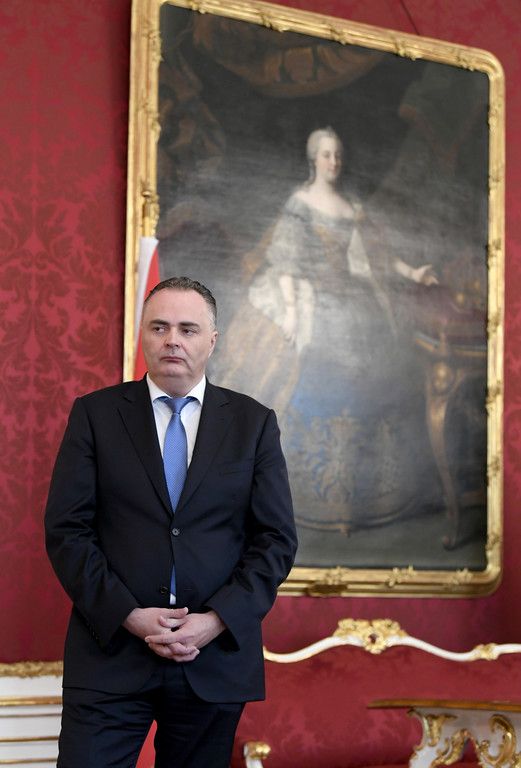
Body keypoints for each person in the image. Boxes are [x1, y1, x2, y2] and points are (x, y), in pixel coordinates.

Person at [44, 276, 297, 768]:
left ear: (212, 340)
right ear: (142, 334)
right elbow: (67, 531)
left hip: (213, 659)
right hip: (111, 654)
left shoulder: (253, 423)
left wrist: (216, 620)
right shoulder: (95, 415)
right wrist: (128, 614)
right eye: (159, 327)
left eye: (187, 329)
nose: (172, 340)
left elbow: (276, 541)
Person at [215, 127, 438, 535]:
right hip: (308, 299)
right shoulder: (299, 203)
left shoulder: (351, 206)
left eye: (337, 155)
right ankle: (301, 493)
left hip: (351, 300)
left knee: (369, 378)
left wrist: (414, 273)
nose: (333, 162)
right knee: (301, 373)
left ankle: (361, 495)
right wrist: (292, 313)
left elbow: (378, 255)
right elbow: (286, 261)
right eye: (326, 155)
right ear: (313, 159)